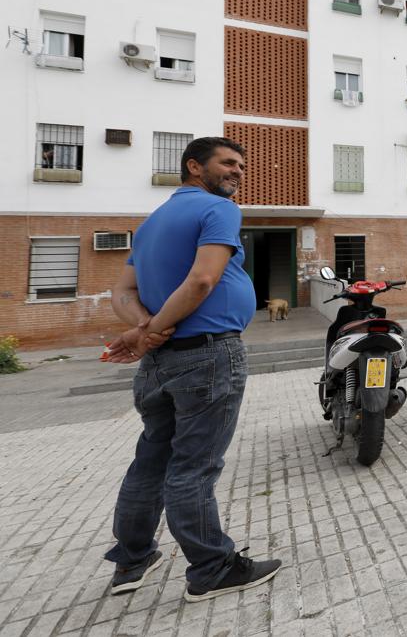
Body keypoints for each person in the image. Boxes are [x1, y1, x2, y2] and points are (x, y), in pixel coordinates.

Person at [102, 136, 282, 601]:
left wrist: (143, 330)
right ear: (194, 168)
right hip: (208, 356)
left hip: (160, 363)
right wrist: (155, 327)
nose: (238, 171)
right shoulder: (217, 210)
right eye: (228, 163)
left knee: (151, 460)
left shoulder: (150, 224)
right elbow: (203, 279)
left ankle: (132, 560)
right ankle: (212, 568)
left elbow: (121, 292)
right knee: (194, 467)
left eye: (241, 164)